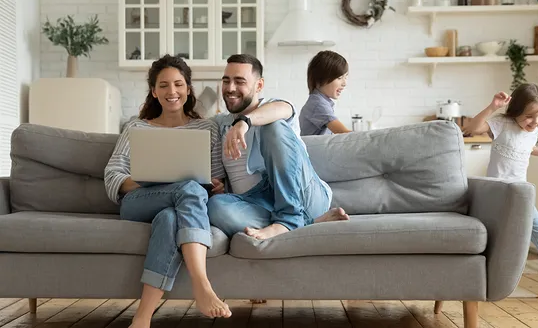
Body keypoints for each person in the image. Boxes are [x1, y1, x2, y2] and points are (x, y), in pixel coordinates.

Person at [104, 54, 232, 327]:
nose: (171, 92)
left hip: (181, 206)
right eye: (163, 85)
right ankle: (202, 285)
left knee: (169, 218)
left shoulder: (207, 128)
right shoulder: (136, 128)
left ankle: (142, 318)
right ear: (154, 91)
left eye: (178, 84)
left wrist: (217, 185)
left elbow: (216, 179)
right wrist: (146, 179)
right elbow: (112, 175)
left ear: (188, 89)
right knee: (187, 188)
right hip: (139, 201)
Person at [207, 54, 349, 241]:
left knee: (273, 125)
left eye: (239, 81)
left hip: (303, 194)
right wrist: (218, 186)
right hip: (257, 202)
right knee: (215, 206)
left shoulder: (275, 107)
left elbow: (281, 110)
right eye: (226, 81)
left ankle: (289, 218)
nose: (230, 88)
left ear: (259, 85)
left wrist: (245, 122)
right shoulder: (220, 124)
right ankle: (307, 222)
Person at [462, 83, 538, 293]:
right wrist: (493, 106)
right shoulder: (501, 124)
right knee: (495, 238)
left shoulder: (532, 132)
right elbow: (472, 129)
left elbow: (526, 147)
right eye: (529, 116)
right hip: (499, 193)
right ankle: (480, 279)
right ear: (515, 111)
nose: (535, 122)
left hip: (521, 194)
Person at [299, 50, 352, 136]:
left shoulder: (321, 102)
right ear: (320, 79)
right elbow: (344, 134)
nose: (344, 83)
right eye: (339, 78)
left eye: (345, 77)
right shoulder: (318, 104)